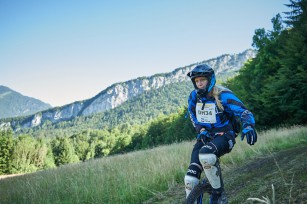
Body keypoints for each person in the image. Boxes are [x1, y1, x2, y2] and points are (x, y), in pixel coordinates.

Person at [184, 64, 257, 204]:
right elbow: (192, 114)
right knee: (190, 179)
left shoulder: (223, 94)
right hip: (205, 136)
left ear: (210, 80)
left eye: (202, 80)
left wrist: (248, 125)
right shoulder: (194, 97)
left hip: (225, 136)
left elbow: (244, 111)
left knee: (206, 155)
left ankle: (219, 196)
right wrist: (201, 130)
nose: (199, 84)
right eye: (196, 81)